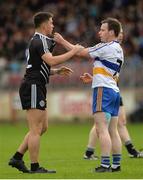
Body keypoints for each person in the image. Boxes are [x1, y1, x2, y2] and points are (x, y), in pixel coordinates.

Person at [8, 12, 83, 174]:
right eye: (51, 22)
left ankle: (17, 157)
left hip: (37, 84)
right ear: (43, 25)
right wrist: (73, 51)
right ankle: (35, 167)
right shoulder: (39, 40)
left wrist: (55, 72)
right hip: (33, 86)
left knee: (43, 128)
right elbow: (51, 60)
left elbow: (37, 66)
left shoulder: (38, 41)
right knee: (36, 129)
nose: (53, 25)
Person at [54, 17, 123, 172]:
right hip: (114, 90)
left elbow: (81, 52)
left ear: (112, 32)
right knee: (113, 130)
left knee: (101, 129)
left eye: (103, 29)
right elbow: (109, 72)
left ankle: (105, 165)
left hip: (103, 91)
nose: (100, 32)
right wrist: (93, 78)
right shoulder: (118, 48)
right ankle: (116, 165)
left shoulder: (106, 47)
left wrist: (62, 41)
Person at [80, 72, 143, 159]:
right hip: (107, 91)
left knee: (121, 122)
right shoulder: (107, 59)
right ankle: (90, 153)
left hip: (115, 90)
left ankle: (131, 151)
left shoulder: (116, 60)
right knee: (102, 124)